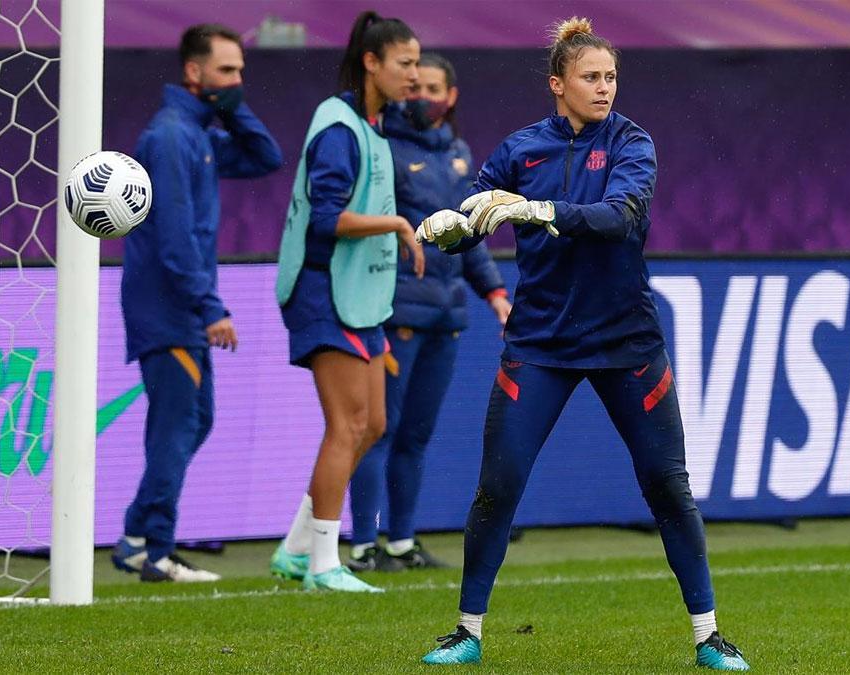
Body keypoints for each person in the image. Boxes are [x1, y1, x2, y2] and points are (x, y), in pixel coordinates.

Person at [415, 18, 749, 670]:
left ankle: (709, 635)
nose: (604, 88)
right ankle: (466, 631)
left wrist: (537, 211)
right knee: (498, 486)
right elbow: (476, 211)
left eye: (611, 76)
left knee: (667, 486)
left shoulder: (633, 144)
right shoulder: (521, 149)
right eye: (591, 77)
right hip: (539, 342)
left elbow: (617, 219)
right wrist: (450, 225)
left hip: (627, 342)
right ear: (557, 84)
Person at [113, 24, 281, 583]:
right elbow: (175, 235)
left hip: (178, 305)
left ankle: (137, 536)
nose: (238, 81)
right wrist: (210, 307)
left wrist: (233, 107)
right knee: (178, 425)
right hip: (169, 307)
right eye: (227, 71)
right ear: (193, 72)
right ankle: (156, 550)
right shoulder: (169, 138)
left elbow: (265, 156)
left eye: (241, 72)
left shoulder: (197, 133)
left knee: (193, 419)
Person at [269, 11, 425, 593]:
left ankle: (294, 547)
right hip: (322, 289)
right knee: (348, 423)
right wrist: (400, 226)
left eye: (417, 63)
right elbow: (329, 218)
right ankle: (323, 566)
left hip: (360, 293)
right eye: (405, 64)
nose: (415, 74)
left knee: (374, 424)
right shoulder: (337, 127)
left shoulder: (374, 126)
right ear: (371, 63)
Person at [346, 53, 511, 573]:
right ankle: (362, 545)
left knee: (416, 434)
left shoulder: (460, 154)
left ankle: (400, 542)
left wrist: (494, 293)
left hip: (446, 315)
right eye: (415, 86)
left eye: (433, 87)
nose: (422, 96)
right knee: (380, 429)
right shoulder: (384, 148)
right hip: (399, 311)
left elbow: (470, 234)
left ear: (451, 95)